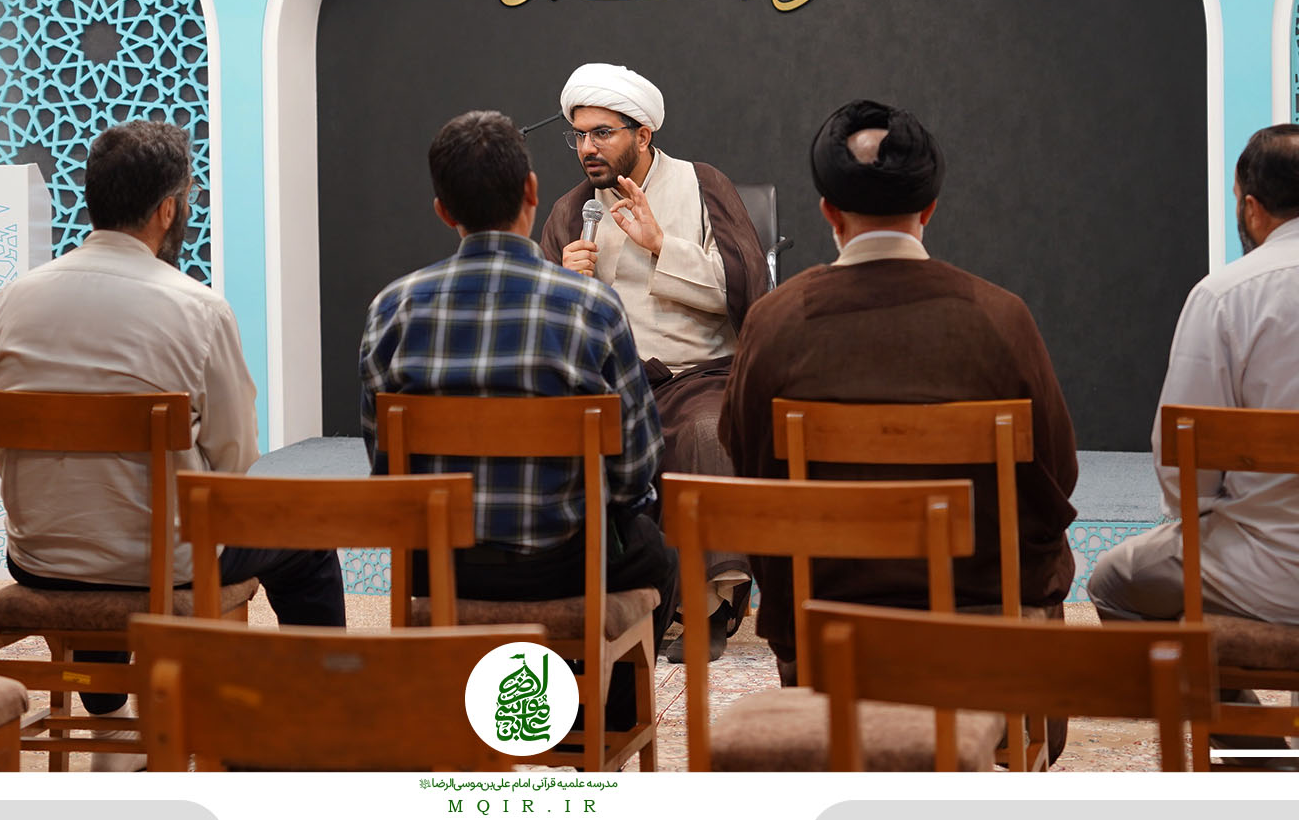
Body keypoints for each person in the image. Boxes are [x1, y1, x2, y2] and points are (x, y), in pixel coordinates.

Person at [0, 118, 345, 770]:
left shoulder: (14, 298)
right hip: (165, 567)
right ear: (168, 209)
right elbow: (235, 461)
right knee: (306, 538)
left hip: (38, 559)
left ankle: (104, 698)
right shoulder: (197, 308)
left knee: (102, 510)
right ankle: (326, 717)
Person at [722, 99, 1079, 691]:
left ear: (828, 210)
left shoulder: (775, 322)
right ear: (929, 208)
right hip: (985, 617)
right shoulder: (1000, 317)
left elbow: (750, 462)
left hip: (822, 621)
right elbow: (1057, 474)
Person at [360, 110, 678, 725]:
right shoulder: (592, 308)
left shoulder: (391, 310)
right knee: (657, 556)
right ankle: (595, 725)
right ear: (531, 192)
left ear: (443, 211)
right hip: (564, 563)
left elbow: (385, 467)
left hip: (439, 566)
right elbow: (636, 469)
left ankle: (465, 718)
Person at [1088, 125, 1299, 632]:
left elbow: (1183, 475)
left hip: (1266, 580)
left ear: (1253, 209)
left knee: (1112, 581)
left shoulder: (1225, 296)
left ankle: (1214, 684)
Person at [539, 63, 768, 663]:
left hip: (699, 373)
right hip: (611, 383)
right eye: (579, 135)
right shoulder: (571, 210)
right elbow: (542, 324)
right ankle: (598, 600)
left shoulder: (702, 185)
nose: (587, 148)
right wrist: (564, 283)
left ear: (642, 135)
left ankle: (706, 607)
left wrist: (662, 245)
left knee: (706, 431)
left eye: (602, 133)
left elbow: (749, 287)